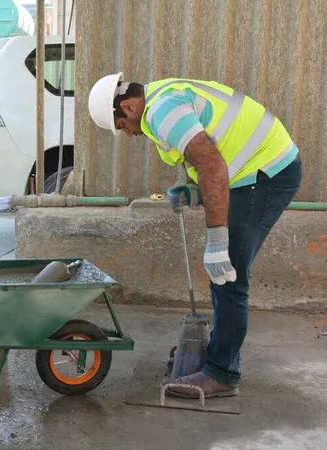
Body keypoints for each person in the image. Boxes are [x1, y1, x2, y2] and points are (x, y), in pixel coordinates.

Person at [88, 73, 302, 398]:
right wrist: (194, 191)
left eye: (122, 126)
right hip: (253, 171)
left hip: (265, 172)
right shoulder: (161, 97)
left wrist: (217, 239)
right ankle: (219, 358)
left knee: (228, 274)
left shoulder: (163, 112)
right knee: (224, 274)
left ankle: (221, 374)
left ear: (129, 107)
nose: (129, 134)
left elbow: (213, 167)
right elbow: (209, 159)